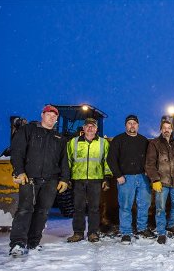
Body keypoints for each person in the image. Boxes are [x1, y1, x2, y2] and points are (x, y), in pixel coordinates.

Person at [9, 105, 69, 256]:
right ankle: (17, 243)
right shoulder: (28, 130)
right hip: (29, 178)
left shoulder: (60, 138)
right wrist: (19, 171)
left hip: (50, 180)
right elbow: (17, 152)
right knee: (24, 210)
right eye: (49, 115)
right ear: (42, 115)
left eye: (54, 116)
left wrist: (65, 179)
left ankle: (33, 243)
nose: (52, 118)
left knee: (42, 212)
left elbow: (64, 161)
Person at [107, 114, 153, 244]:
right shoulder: (118, 140)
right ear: (125, 125)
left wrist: (148, 173)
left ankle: (142, 228)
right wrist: (118, 175)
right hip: (125, 178)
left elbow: (149, 159)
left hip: (142, 178)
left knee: (144, 204)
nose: (132, 125)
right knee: (126, 206)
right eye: (129, 123)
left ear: (138, 126)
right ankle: (126, 232)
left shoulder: (144, 140)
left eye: (134, 123)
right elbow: (111, 159)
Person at [66, 118, 112, 243]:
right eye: (88, 126)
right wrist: (67, 178)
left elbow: (107, 162)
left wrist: (106, 178)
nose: (90, 128)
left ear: (96, 129)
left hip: (95, 180)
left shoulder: (103, 143)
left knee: (94, 208)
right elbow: (68, 161)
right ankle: (78, 233)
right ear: (83, 128)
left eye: (93, 126)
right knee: (78, 207)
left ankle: (93, 233)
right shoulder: (73, 142)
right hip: (78, 179)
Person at [145, 119, 174, 244]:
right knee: (160, 208)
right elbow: (150, 163)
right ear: (161, 129)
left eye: (169, 128)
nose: (167, 130)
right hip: (161, 183)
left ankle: (170, 224)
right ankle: (161, 232)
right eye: (164, 128)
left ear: (172, 129)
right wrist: (155, 179)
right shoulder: (155, 144)